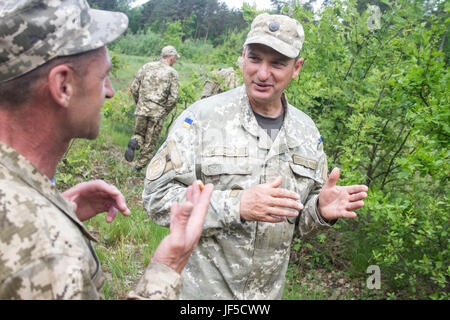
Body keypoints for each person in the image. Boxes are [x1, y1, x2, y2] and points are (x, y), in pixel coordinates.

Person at [142, 13, 369, 299]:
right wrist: (235, 204)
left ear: (296, 68)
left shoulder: (307, 132)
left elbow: (298, 223)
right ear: (242, 57)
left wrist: (320, 211)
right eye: (255, 58)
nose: (262, 73)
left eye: (277, 63)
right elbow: (156, 198)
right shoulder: (201, 119)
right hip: (200, 295)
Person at [0, 0, 213, 300]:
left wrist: (53, 204)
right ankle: (141, 160)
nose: (111, 91)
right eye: (103, 77)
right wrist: (168, 265)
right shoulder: (48, 255)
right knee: (149, 141)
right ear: (63, 86)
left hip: (141, 108)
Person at [124, 45, 180, 171]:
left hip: (142, 108)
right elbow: (173, 97)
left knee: (139, 134)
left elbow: (134, 88)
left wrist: (140, 103)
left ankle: (135, 142)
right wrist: (164, 111)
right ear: (171, 58)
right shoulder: (172, 73)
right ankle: (137, 167)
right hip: (157, 112)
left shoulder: (147, 66)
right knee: (150, 143)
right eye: (175, 58)